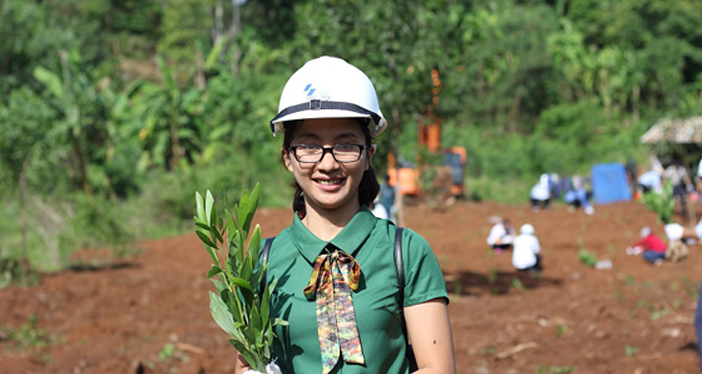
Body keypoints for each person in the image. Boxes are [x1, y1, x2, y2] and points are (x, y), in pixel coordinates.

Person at [236, 56, 456, 374]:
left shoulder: (406, 252)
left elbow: (438, 369)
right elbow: (246, 364)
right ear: (287, 158)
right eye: (309, 147)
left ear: (369, 156)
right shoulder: (263, 262)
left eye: (345, 146)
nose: (328, 164)